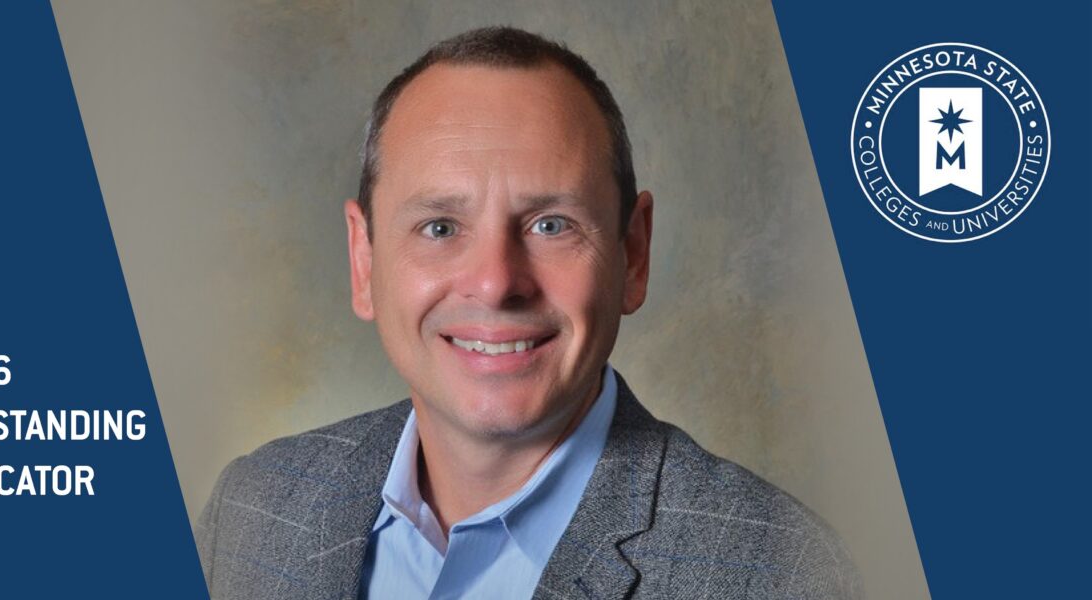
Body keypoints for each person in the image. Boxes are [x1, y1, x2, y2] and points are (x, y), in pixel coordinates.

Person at [195, 26, 861, 599]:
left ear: (633, 254)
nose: (495, 283)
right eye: (439, 227)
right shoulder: (253, 509)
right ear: (364, 261)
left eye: (550, 225)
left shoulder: (780, 573)